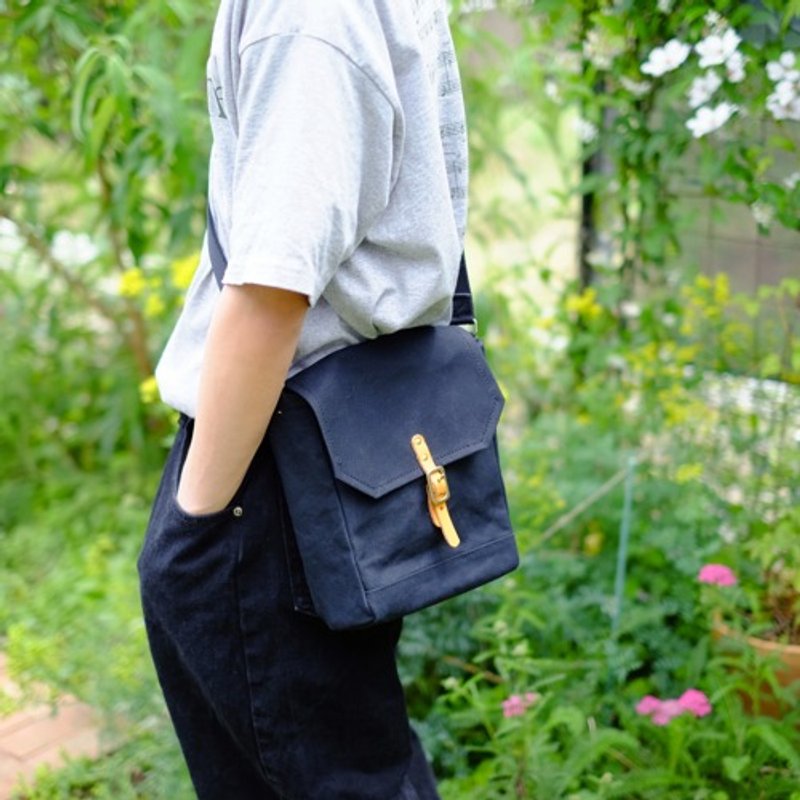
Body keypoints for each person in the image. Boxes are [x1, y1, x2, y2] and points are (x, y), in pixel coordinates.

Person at [137, 0, 468, 797]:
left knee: (317, 775)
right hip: (324, 448)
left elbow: (273, 286)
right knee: (349, 762)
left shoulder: (308, 18)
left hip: (276, 470)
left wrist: (194, 522)